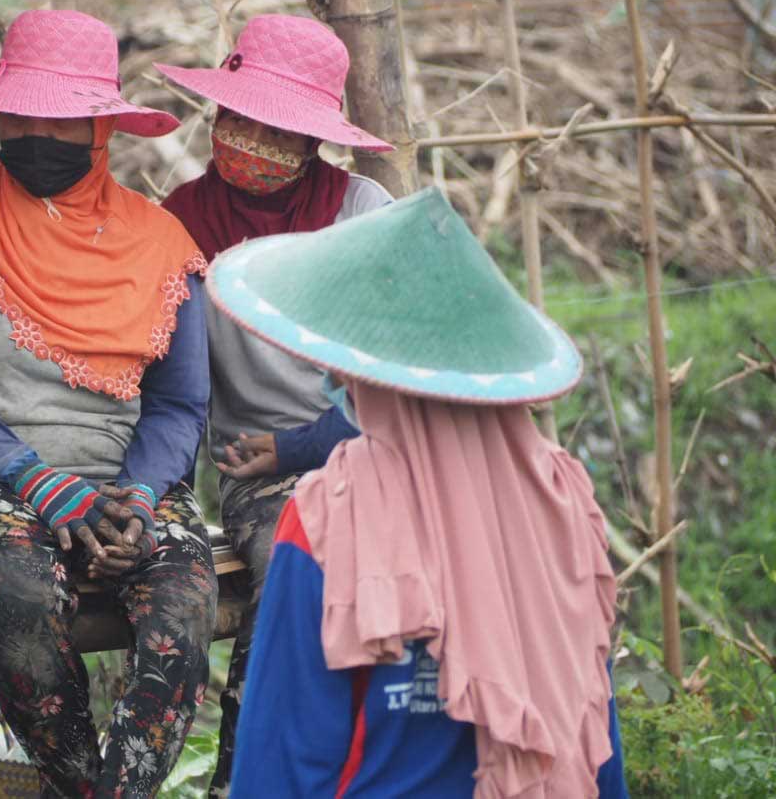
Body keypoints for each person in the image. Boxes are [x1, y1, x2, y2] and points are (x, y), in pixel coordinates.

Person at [0, 10, 217, 798]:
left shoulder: (161, 241)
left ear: (102, 127)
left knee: (185, 595)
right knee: (26, 589)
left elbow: (178, 404)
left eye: (62, 116)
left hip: (118, 479)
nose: (35, 131)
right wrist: (38, 481)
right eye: (20, 112)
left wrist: (138, 497)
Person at [207, 187, 628, 797]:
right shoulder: (561, 497)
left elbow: (283, 758)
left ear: (361, 368)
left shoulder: (333, 515)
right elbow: (597, 736)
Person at [153, 12, 395, 793]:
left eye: (276, 129)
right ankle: (247, 775)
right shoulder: (180, 223)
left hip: (380, 449)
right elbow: (171, 383)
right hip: (258, 473)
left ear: (314, 141)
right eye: (238, 120)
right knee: (293, 568)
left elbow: (392, 372)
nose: (251, 141)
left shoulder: (362, 214)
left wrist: (303, 446)